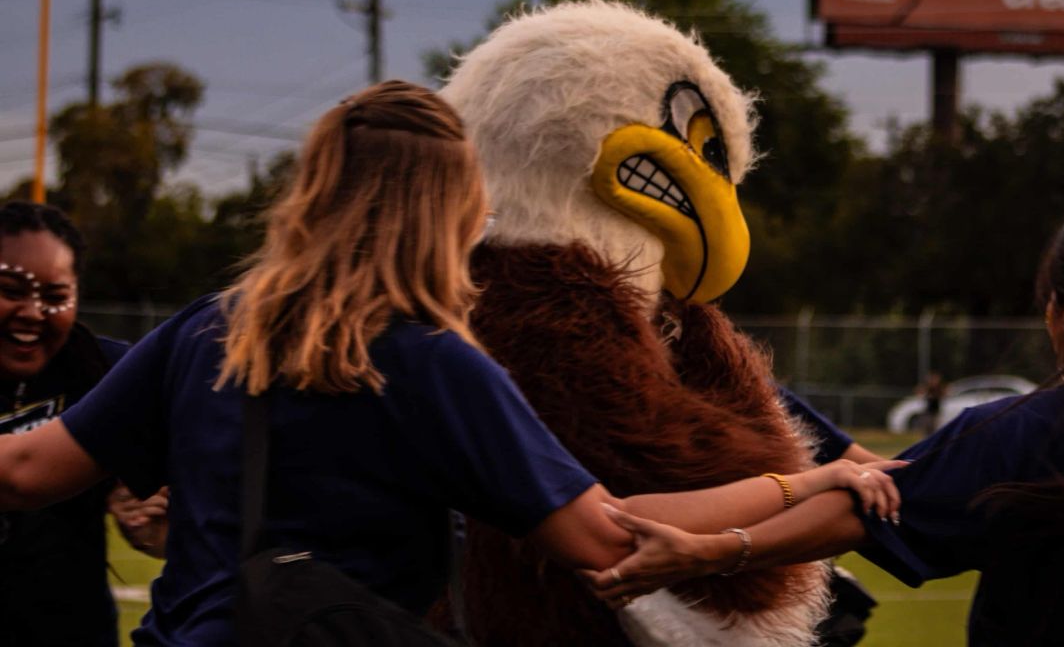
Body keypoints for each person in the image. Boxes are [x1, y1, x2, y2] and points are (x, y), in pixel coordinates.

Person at [0, 80, 901, 645]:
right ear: (457, 209)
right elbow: (612, 539)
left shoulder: (210, 328)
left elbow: (28, 469)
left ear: (312, 192)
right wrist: (797, 485)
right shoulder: (431, 363)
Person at [588, 199, 1064, 646]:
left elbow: (875, 507)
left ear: (1060, 311)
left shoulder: (1026, 434)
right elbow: (891, 480)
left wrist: (710, 552)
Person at [0, 201, 163, 646]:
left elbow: (174, 523)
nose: (33, 312)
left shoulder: (111, 371)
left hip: (72, 627)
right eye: (11, 289)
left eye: (54, 296)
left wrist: (151, 524)